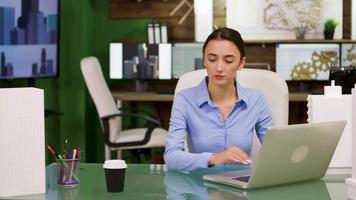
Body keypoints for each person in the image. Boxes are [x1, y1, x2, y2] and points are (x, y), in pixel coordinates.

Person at [164, 27, 273, 171]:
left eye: (228, 61)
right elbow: (171, 158)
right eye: (212, 59)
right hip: (201, 186)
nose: (219, 67)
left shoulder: (256, 100)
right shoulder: (185, 99)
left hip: (241, 187)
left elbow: (275, 152)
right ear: (204, 60)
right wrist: (214, 158)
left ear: (241, 63)